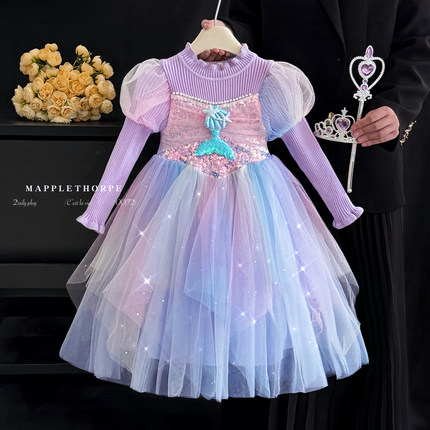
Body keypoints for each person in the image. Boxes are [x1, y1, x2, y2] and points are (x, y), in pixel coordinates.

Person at [199, 1, 430, 429]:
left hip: (368, 165)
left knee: (376, 326)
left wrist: (399, 108)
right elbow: (245, 21)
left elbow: (420, 40)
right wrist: (226, 39)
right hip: (282, 166)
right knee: (285, 326)